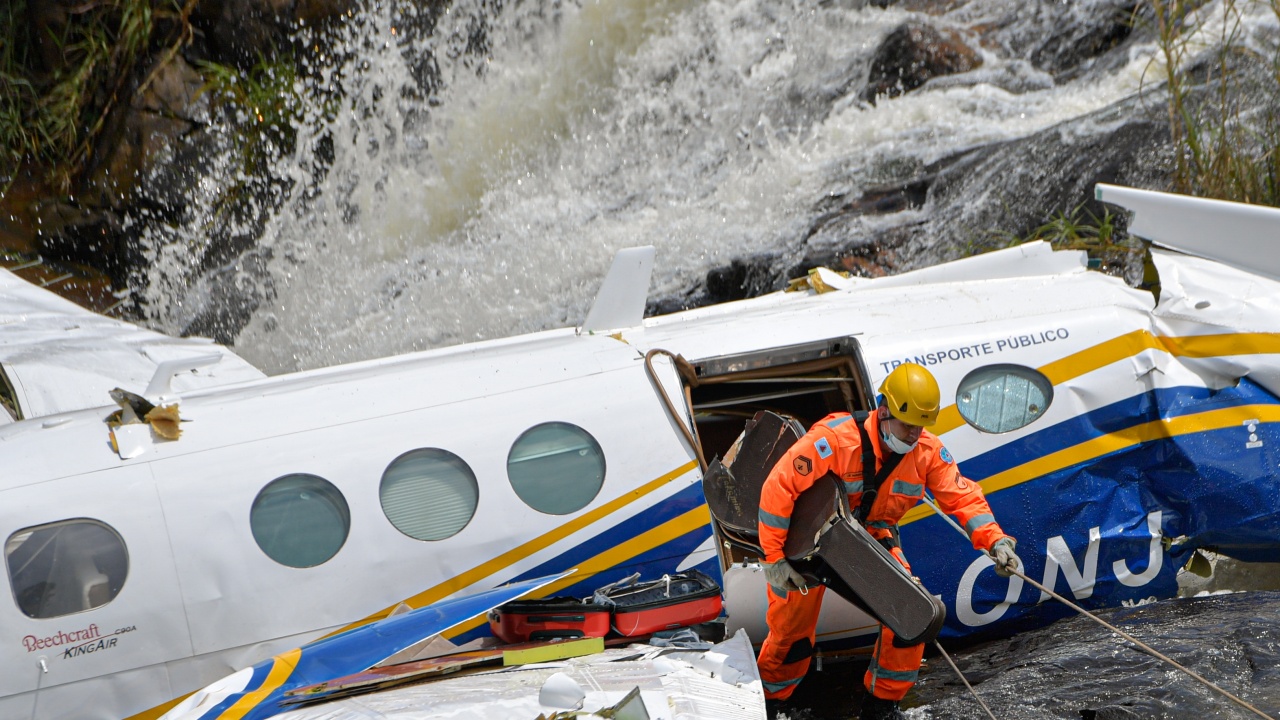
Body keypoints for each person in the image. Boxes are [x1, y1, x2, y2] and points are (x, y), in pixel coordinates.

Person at [754, 362, 1022, 720]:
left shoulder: (926, 452)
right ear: (883, 411)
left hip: (871, 536)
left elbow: (962, 497)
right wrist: (773, 558)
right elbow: (779, 488)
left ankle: (881, 706)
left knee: (912, 617)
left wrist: (995, 541)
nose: (913, 435)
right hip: (808, 542)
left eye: (920, 427)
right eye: (907, 425)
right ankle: (773, 704)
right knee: (791, 633)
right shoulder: (833, 439)